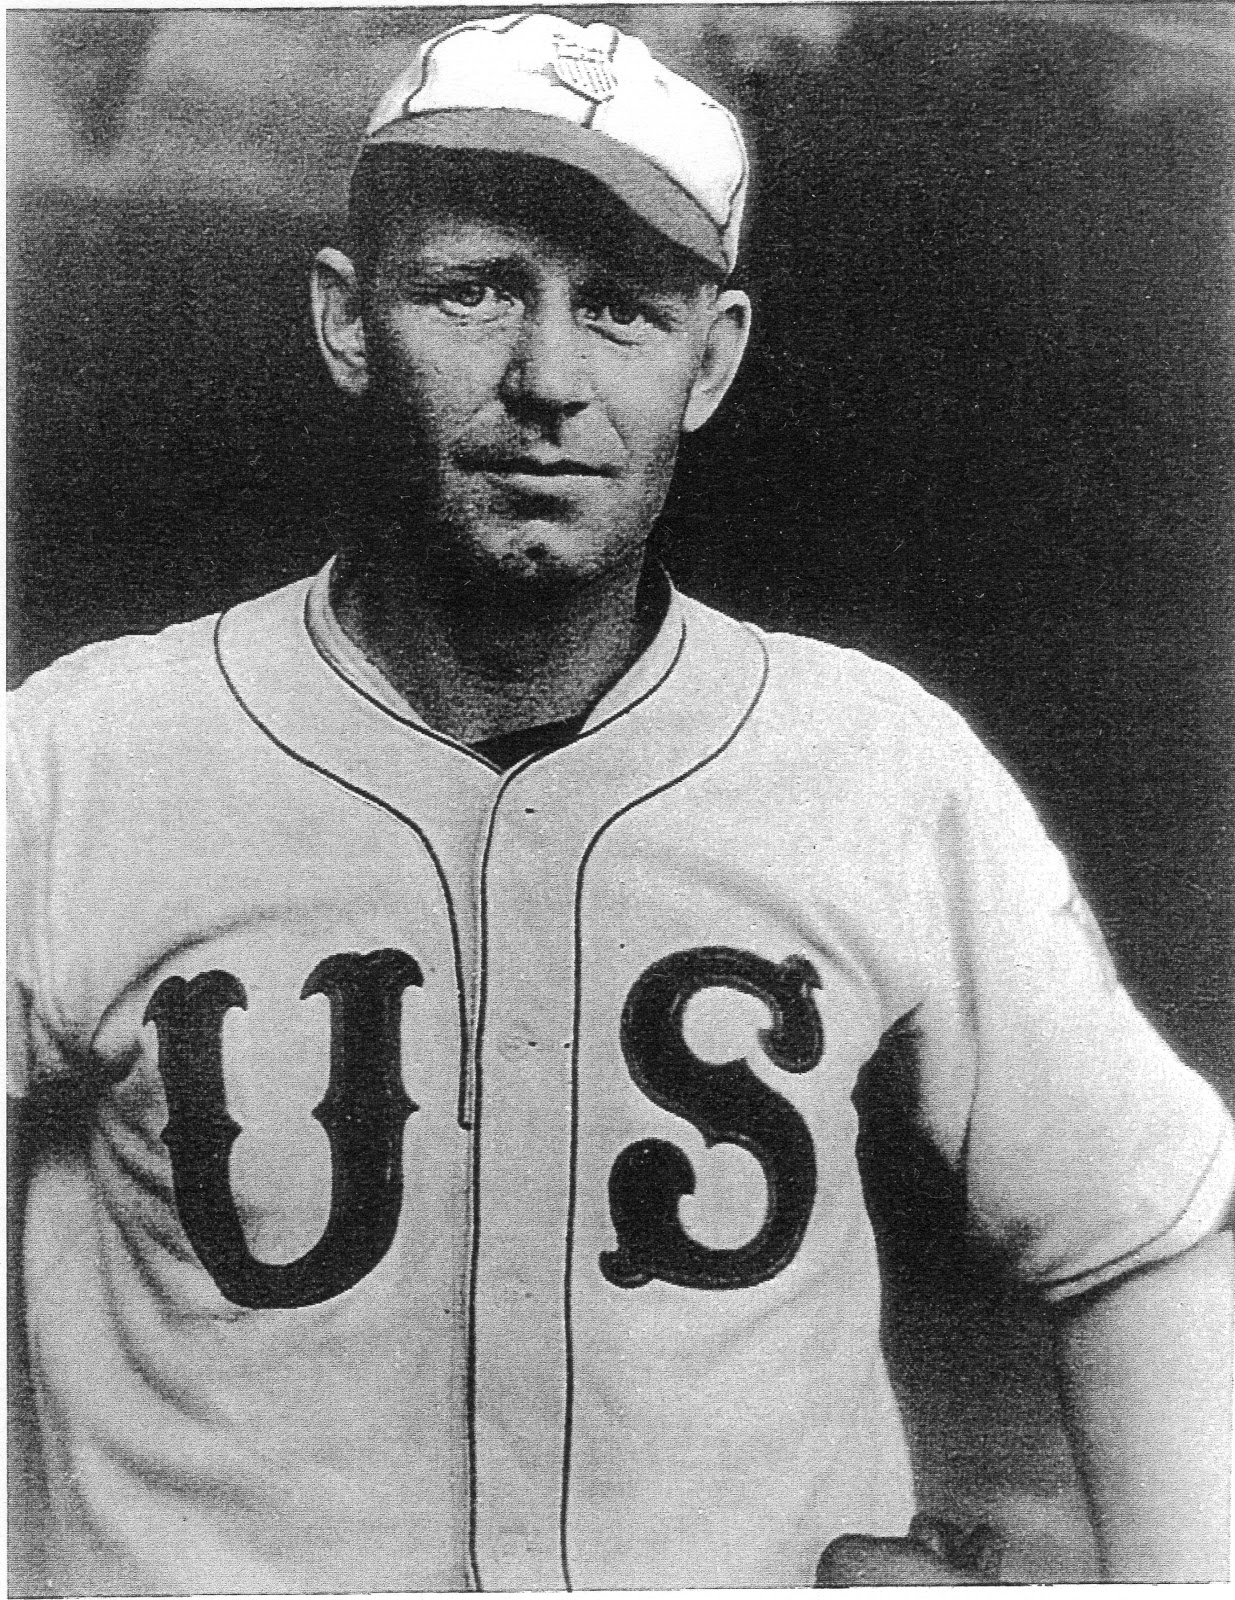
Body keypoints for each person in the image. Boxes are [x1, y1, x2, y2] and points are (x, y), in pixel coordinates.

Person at [7, 12, 1232, 1594]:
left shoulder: (874, 765)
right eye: (472, 289)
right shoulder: (80, 758)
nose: (547, 380)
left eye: (623, 309)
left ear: (709, 360)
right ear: (346, 320)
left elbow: (1142, 1234)